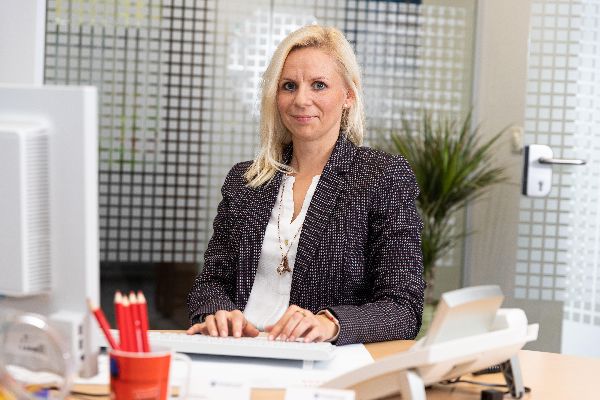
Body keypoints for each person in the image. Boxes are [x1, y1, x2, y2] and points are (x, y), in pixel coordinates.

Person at [186, 25, 424, 345]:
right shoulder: (245, 181)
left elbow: (403, 308)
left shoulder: (382, 176)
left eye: (319, 85)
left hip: (320, 359)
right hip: (239, 350)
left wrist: (330, 324)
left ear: (348, 95)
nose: (301, 99)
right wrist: (217, 313)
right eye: (289, 86)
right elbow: (210, 283)